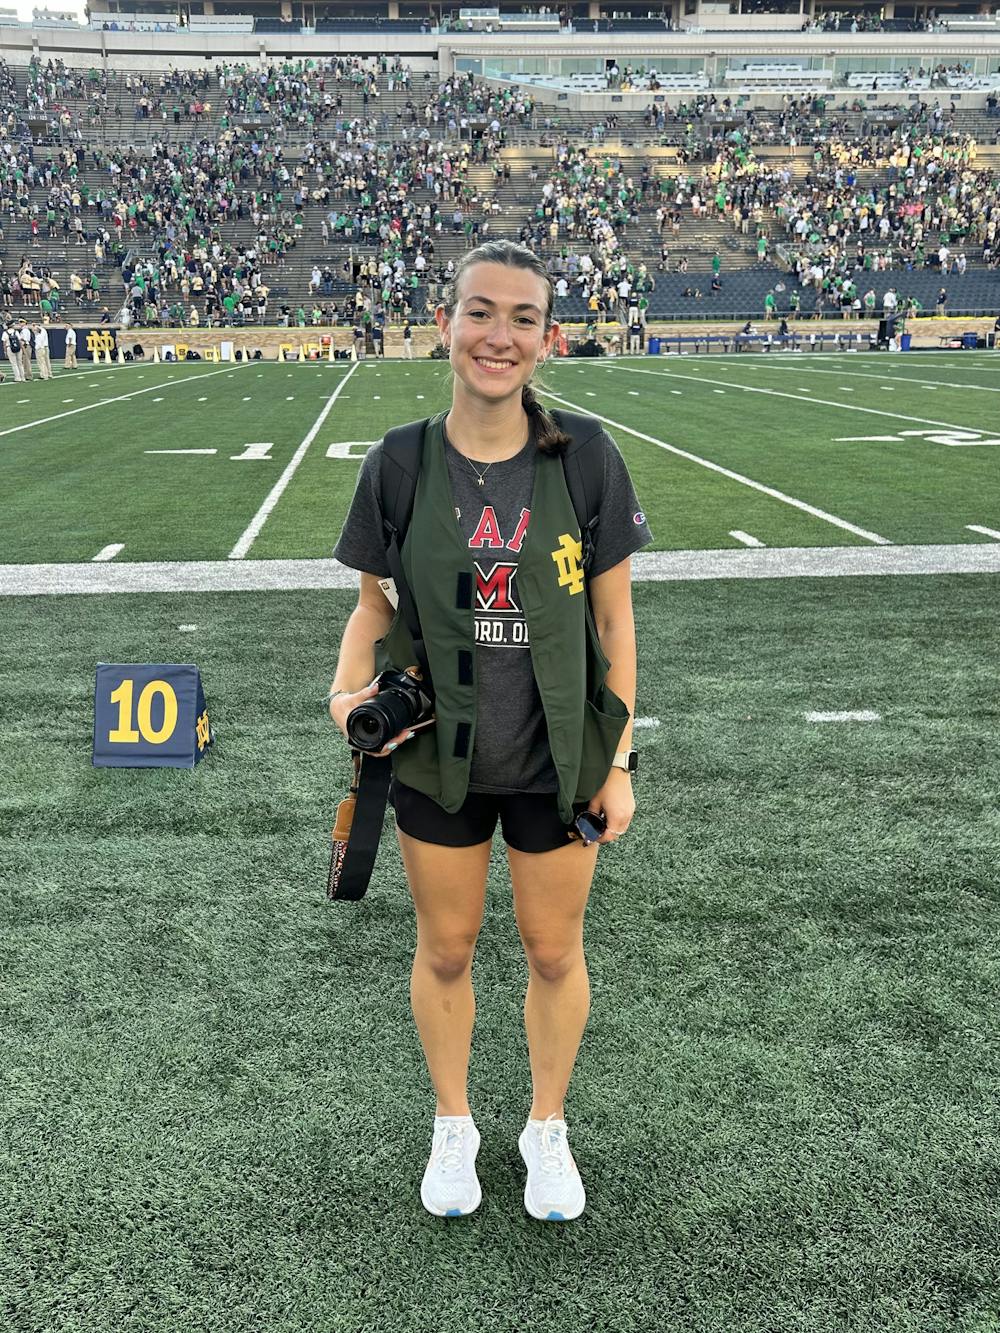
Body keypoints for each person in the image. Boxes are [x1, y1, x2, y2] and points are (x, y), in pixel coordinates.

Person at [329, 241, 651, 1223]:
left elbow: (613, 621)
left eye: (520, 317)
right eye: (479, 312)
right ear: (445, 324)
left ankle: (544, 1126)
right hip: (438, 750)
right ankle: (455, 1122)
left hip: (560, 754)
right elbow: (371, 605)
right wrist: (346, 691)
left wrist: (621, 757)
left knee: (554, 948)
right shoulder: (399, 460)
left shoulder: (585, 453)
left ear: (547, 338)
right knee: (448, 947)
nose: (497, 335)